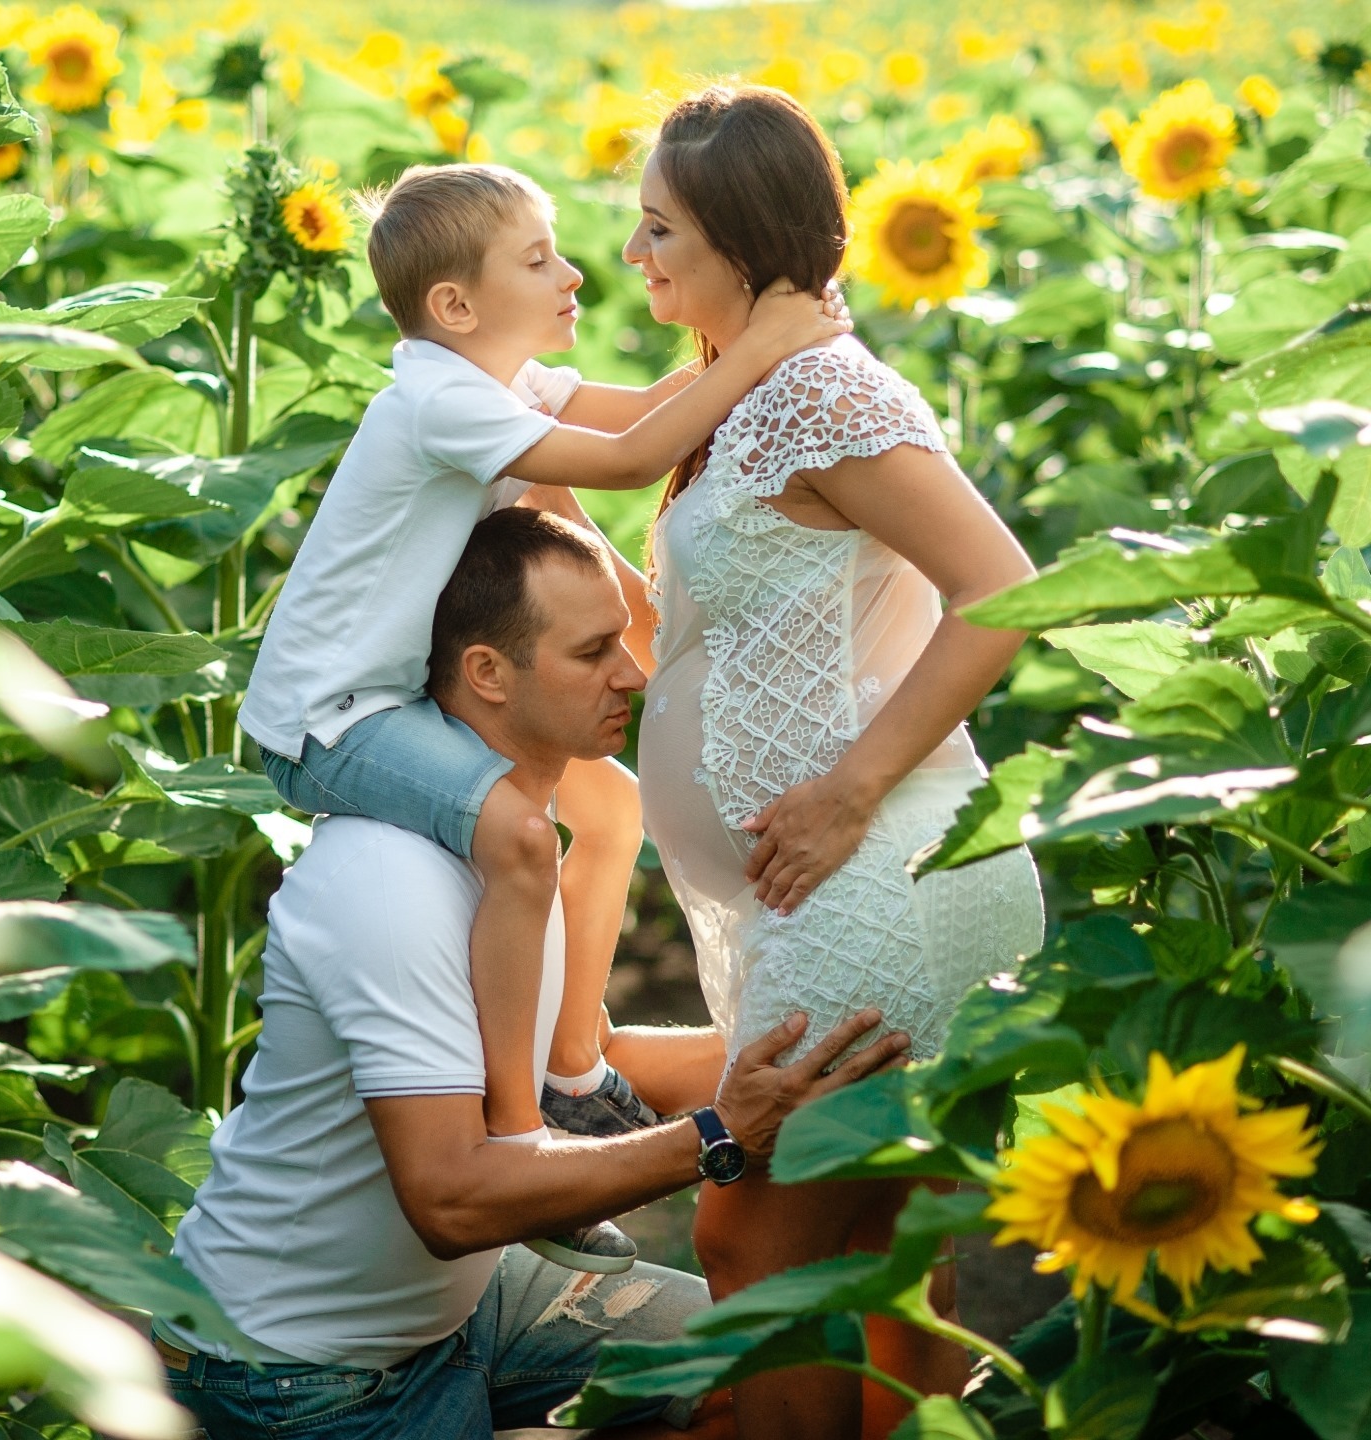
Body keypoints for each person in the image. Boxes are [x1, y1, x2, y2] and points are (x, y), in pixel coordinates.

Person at [158, 508, 910, 1439]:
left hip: (467, 1308)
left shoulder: (517, 842)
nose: (631, 674)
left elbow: (586, 1062)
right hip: (303, 1375)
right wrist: (722, 1133)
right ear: (487, 674)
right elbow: (449, 1199)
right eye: (593, 653)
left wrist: (818, 1050)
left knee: (776, 1362)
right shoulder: (390, 883)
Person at [237, 161, 850, 1273]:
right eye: (538, 259)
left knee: (609, 813)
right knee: (523, 835)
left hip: (395, 693)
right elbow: (628, 460)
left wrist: (771, 344)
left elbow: (649, 408)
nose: (573, 273)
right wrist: (762, 348)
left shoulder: (503, 384)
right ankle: (519, 1128)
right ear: (456, 306)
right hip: (328, 719)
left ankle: (575, 1072)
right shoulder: (437, 397)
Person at [623, 86, 1047, 1438]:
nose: (638, 256)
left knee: (754, 1257)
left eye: (659, 230)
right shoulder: (740, 394)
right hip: (831, 889)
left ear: (743, 247)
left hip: (872, 876)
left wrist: (852, 786)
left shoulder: (825, 392)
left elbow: (1000, 589)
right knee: (881, 1264)